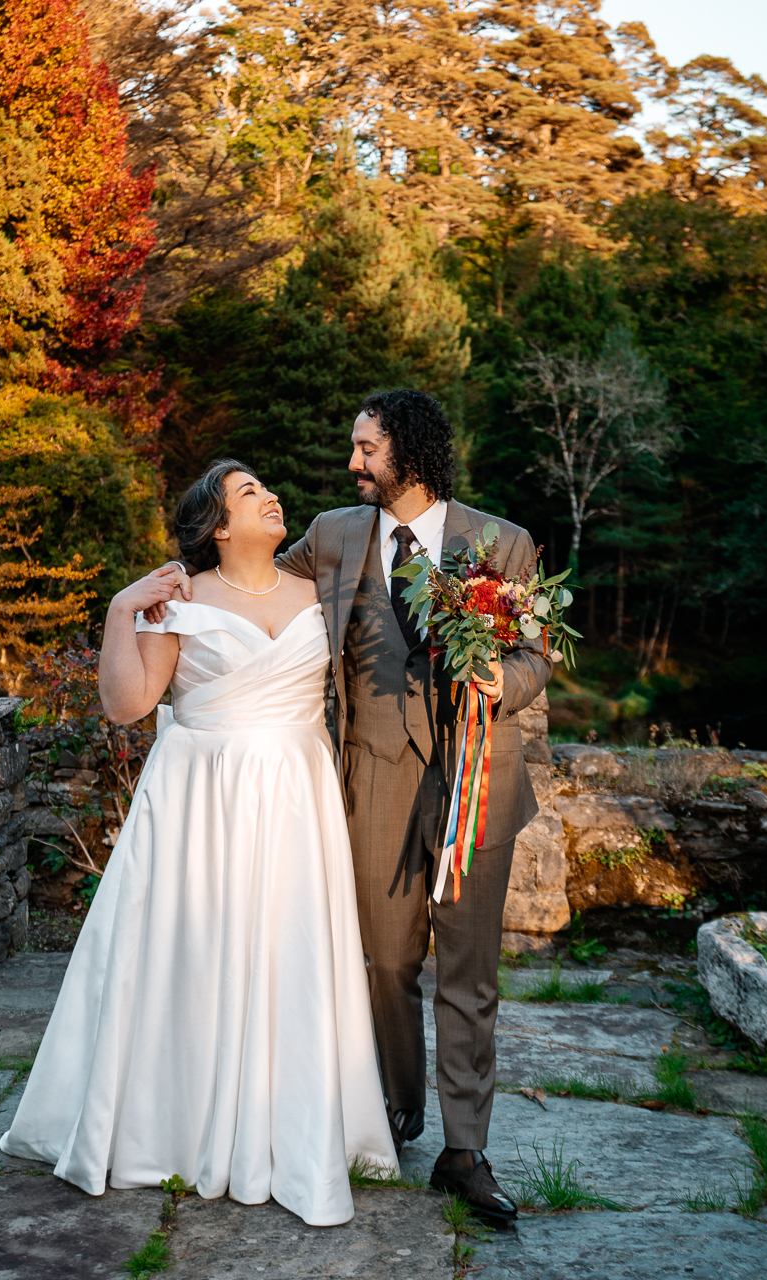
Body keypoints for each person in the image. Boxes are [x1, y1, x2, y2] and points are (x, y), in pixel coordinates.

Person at [148, 390, 552, 1225]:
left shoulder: (502, 542)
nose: (353, 464)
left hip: (479, 776)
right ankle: (394, 1112)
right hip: (372, 774)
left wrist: (498, 682)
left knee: (471, 977)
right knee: (383, 965)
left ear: (406, 451)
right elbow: (244, 575)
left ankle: (465, 1150)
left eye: (366, 448)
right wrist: (163, 592)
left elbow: (536, 655)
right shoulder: (331, 536)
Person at [0, 460, 396, 1228]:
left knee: (291, 955)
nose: (272, 496)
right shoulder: (180, 600)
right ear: (218, 525)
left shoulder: (323, 593)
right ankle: (176, 1124)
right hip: (201, 800)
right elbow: (127, 706)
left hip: (294, 795)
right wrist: (121, 611)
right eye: (251, 493)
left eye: (268, 488)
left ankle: (294, 1123)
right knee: (196, 955)